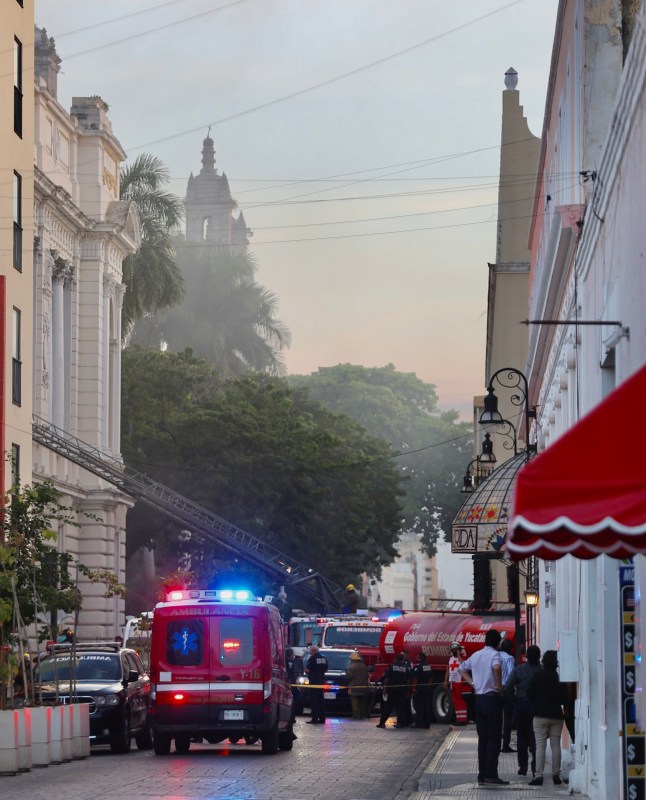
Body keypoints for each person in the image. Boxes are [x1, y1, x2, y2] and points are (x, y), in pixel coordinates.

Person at [459, 628, 508, 786]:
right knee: (494, 738)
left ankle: (481, 774)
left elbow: (461, 668)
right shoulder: (495, 655)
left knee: (483, 738)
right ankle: (491, 774)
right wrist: (499, 685)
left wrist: (472, 683)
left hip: (479, 700)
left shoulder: (476, 655)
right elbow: (497, 667)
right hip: (492, 699)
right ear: (497, 642)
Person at [527, 650, 567, 786]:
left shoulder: (538, 675)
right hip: (556, 715)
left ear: (543, 660)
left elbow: (529, 693)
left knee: (540, 746)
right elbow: (564, 698)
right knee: (556, 745)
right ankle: (556, 775)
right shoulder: (558, 677)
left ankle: (538, 776)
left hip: (540, 715)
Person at [506, 644, 541, 777]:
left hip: (520, 704)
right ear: (539, 657)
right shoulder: (540, 671)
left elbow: (508, 685)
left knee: (521, 736)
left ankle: (523, 765)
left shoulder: (519, 669)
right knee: (535, 737)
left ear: (526, 655)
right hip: (535, 707)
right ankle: (534, 767)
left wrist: (514, 700)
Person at [377, 652, 411, 728]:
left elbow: (387, 679)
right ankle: (401, 723)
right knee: (401, 707)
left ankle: (382, 723)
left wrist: (385, 689)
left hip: (393, 690)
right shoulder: (406, 668)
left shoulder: (392, 667)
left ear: (395, 659)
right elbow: (408, 680)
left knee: (388, 707)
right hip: (402, 690)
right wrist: (408, 690)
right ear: (402, 659)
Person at [304, 645, 328, 724]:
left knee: (314, 701)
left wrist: (304, 669)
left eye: (310, 651)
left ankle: (314, 719)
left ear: (313, 650)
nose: (310, 653)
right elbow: (326, 670)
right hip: (321, 682)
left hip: (313, 682)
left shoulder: (313, 658)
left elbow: (307, 670)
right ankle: (322, 719)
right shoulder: (324, 658)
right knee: (321, 700)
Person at [499, 638, 516, 752]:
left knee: (496, 717)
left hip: (495, 689)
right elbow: (511, 676)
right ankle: (505, 745)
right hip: (506, 689)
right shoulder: (510, 658)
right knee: (508, 718)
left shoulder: (496, 656)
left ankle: (495, 743)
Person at [444, 641, 467, 724]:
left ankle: (462, 719)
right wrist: (445, 681)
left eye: (456, 649)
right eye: (453, 649)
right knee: (455, 700)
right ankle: (459, 719)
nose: (454, 651)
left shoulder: (460, 659)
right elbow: (448, 670)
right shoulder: (450, 659)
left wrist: (459, 655)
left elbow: (464, 666)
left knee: (460, 699)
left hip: (459, 681)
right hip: (452, 682)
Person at [346, 651, 370, 719]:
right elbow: (367, 676)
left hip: (354, 688)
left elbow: (349, 676)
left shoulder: (351, 667)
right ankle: (362, 715)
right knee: (362, 703)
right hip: (364, 688)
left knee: (355, 703)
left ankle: (356, 715)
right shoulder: (364, 666)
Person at [412, 652, 433, 728]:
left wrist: (413, 688)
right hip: (427, 687)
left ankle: (419, 723)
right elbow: (431, 677)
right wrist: (428, 685)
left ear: (420, 658)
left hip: (420, 688)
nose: (416, 658)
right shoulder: (428, 666)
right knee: (427, 706)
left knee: (419, 706)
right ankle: (427, 724)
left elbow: (415, 679)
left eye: (417, 657)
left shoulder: (418, 666)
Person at [286, 647, 304, 720]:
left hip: (286, 683)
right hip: (292, 683)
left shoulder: (284, 661)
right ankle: (292, 717)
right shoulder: (293, 661)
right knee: (296, 699)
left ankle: (291, 717)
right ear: (291, 654)